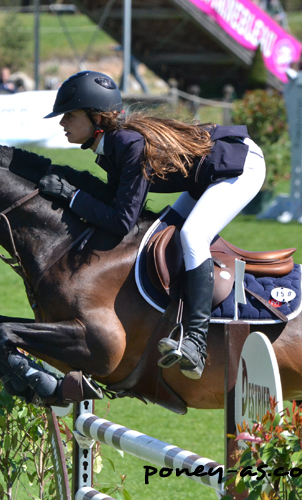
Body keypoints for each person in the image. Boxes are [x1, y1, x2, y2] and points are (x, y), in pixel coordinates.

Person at [39, 71, 266, 379]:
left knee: (193, 236)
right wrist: (72, 194)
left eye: (70, 115)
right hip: (206, 174)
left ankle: (195, 343)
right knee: (159, 235)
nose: (62, 122)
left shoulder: (128, 145)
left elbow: (121, 221)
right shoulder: (112, 145)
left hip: (239, 166)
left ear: (95, 118)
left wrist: (72, 195)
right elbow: (116, 205)